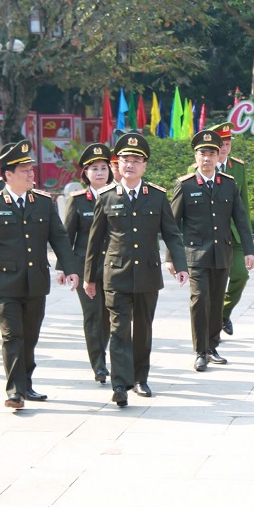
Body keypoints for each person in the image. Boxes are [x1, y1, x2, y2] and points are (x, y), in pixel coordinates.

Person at [0, 141, 80, 409]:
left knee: (29, 336)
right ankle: (15, 391)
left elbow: (59, 239)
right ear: (8, 174)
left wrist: (71, 268)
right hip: (3, 283)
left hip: (35, 282)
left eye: (32, 170)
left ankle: (26, 383)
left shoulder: (42, 202)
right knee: (12, 335)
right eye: (25, 170)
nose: (31, 175)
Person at [83, 132, 188, 408]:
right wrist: (89, 277)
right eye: (125, 160)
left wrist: (180, 264)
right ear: (117, 164)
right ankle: (119, 384)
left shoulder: (156, 196)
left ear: (144, 165)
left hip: (147, 275)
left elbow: (172, 234)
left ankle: (140, 378)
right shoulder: (106, 197)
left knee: (142, 329)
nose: (129, 165)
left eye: (136, 160)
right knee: (118, 329)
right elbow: (94, 241)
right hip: (115, 274)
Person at [170, 129, 254, 371]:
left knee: (217, 300)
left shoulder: (228, 184)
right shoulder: (185, 185)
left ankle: (212, 346)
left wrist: (249, 250)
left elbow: (241, 219)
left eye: (211, 154)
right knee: (200, 300)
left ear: (219, 157)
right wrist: (172, 259)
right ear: (196, 157)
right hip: (195, 255)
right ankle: (199, 351)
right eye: (202, 154)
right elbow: (171, 226)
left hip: (222, 253)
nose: (207, 159)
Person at [63, 142, 114, 384]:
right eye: (94, 168)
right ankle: (99, 365)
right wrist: (66, 268)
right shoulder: (77, 200)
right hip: (86, 268)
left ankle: (100, 352)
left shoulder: (118, 197)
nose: (100, 172)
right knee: (93, 315)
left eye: (103, 167)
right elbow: (67, 237)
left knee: (107, 316)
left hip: (114, 266)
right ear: (85, 173)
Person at [213, 122, 250, 337]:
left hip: (234, 234)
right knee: (216, 282)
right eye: (221, 144)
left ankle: (223, 313)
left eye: (227, 143)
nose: (225, 148)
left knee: (240, 275)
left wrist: (248, 244)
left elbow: (244, 206)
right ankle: (212, 324)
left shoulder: (238, 167)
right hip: (211, 236)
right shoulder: (196, 169)